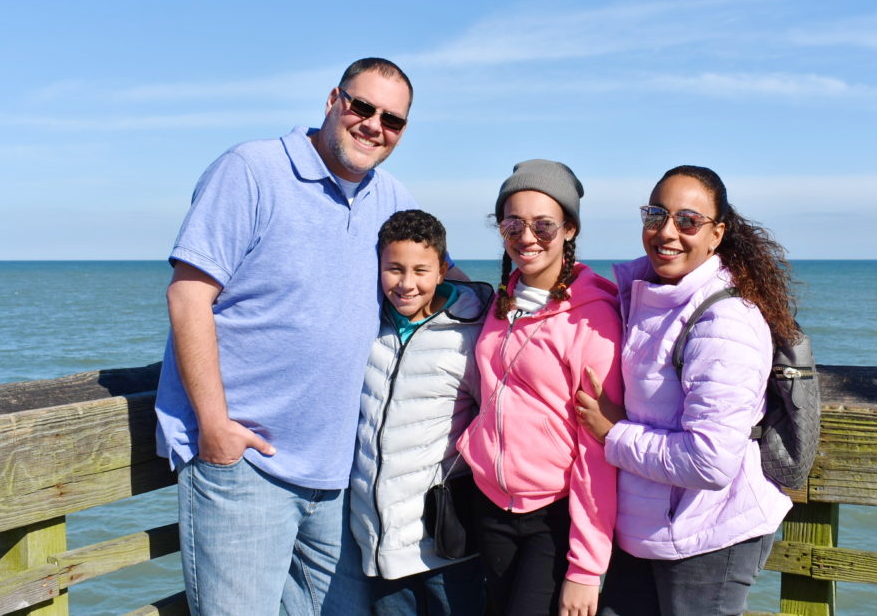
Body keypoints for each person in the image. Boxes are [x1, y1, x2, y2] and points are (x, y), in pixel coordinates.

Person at [155, 58, 459, 615]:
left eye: (391, 119)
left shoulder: (391, 196)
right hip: (246, 467)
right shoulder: (250, 169)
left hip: (339, 479)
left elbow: (440, 278)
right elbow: (187, 295)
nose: (373, 125)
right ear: (332, 101)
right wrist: (215, 429)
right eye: (361, 106)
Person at [576, 165, 796, 616]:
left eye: (688, 221)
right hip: (644, 526)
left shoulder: (725, 321)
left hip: (709, 533)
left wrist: (612, 433)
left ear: (716, 235)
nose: (667, 231)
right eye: (656, 215)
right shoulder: (640, 294)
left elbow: (710, 461)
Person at [457, 159, 623, 616]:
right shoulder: (501, 301)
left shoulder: (592, 316)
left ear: (570, 229)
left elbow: (598, 448)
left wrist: (587, 570)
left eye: (544, 226)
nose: (527, 238)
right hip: (489, 501)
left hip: (553, 517)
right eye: (513, 225)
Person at [349, 209, 492, 615]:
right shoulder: (365, 325)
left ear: (444, 269)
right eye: (394, 269)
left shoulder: (471, 334)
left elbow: (496, 420)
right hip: (377, 544)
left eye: (421, 270)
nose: (407, 283)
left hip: (446, 543)